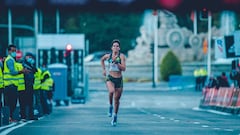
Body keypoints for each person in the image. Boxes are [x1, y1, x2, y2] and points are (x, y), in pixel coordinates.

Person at [100, 39, 126, 126]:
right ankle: (110, 106)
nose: (115, 47)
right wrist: (104, 70)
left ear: (119, 48)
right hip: (110, 77)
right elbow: (102, 60)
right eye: (114, 46)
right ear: (112, 48)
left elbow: (124, 69)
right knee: (111, 91)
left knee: (117, 100)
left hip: (119, 79)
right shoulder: (108, 56)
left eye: (117, 46)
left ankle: (115, 116)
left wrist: (117, 63)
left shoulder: (121, 57)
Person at [3, 45, 28, 122]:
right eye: (13, 51)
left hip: (12, 85)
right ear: (9, 51)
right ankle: (9, 117)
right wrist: (21, 71)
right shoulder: (10, 60)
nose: (14, 52)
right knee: (11, 103)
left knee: (12, 102)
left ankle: (10, 117)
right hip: (10, 85)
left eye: (15, 51)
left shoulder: (11, 60)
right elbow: (13, 72)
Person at [22, 52, 38, 120]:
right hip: (25, 85)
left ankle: (31, 115)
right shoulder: (23, 64)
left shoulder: (30, 65)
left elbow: (34, 71)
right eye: (29, 57)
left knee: (30, 101)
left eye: (31, 58)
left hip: (30, 85)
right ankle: (24, 116)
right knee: (25, 101)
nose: (31, 59)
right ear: (26, 57)